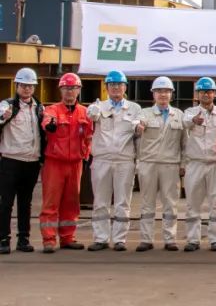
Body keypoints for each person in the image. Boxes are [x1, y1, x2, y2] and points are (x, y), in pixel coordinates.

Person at [86, 70, 142, 252]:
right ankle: (100, 238)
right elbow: (90, 117)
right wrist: (93, 112)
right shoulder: (98, 107)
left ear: (125, 87)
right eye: (112, 84)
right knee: (100, 201)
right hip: (102, 160)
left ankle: (119, 239)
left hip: (125, 160)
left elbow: (138, 133)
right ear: (106, 87)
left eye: (119, 84)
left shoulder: (134, 108)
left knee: (122, 201)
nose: (116, 87)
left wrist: (139, 130)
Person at [38, 73, 92, 253]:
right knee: (51, 202)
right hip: (55, 163)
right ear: (60, 90)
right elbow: (47, 121)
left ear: (79, 90)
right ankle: (49, 240)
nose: (70, 91)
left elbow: (89, 137)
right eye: (66, 88)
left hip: (75, 163)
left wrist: (86, 156)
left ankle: (68, 238)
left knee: (71, 203)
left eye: (73, 88)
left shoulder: (85, 112)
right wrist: (50, 125)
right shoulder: (52, 110)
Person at [182, 77, 216, 252]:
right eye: (203, 91)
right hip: (195, 163)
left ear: (214, 94)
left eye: (209, 91)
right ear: (197, 94)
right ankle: (193, 239)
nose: (206, 94)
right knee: (193, 202)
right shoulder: (189, 112)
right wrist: (193, 121)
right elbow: (184, 123)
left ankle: (215, 239)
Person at [134, 76, 186, 252]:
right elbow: (136, 128)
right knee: (147, 203)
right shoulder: (144, 113)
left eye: (166, 91)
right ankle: (146, 239)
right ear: (153, 94)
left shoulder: (179, 115)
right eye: (159, 91)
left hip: (171, 164)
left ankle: (170, 239)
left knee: (170, 203)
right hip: (148, 164)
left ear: (171, 94)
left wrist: (183, 164)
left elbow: (185, 143)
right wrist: (138, 128)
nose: (163, 94)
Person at [0, 68, 46, 254]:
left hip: (32, 161)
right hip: (10, 161)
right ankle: (3, 240)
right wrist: (3, 118)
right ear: (17, 85)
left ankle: (23, 239)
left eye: (30, 86)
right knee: (6, 202)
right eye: (24, 85)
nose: (27, 89)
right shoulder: (7, 105)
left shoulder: (39, 108)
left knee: (25, 203)